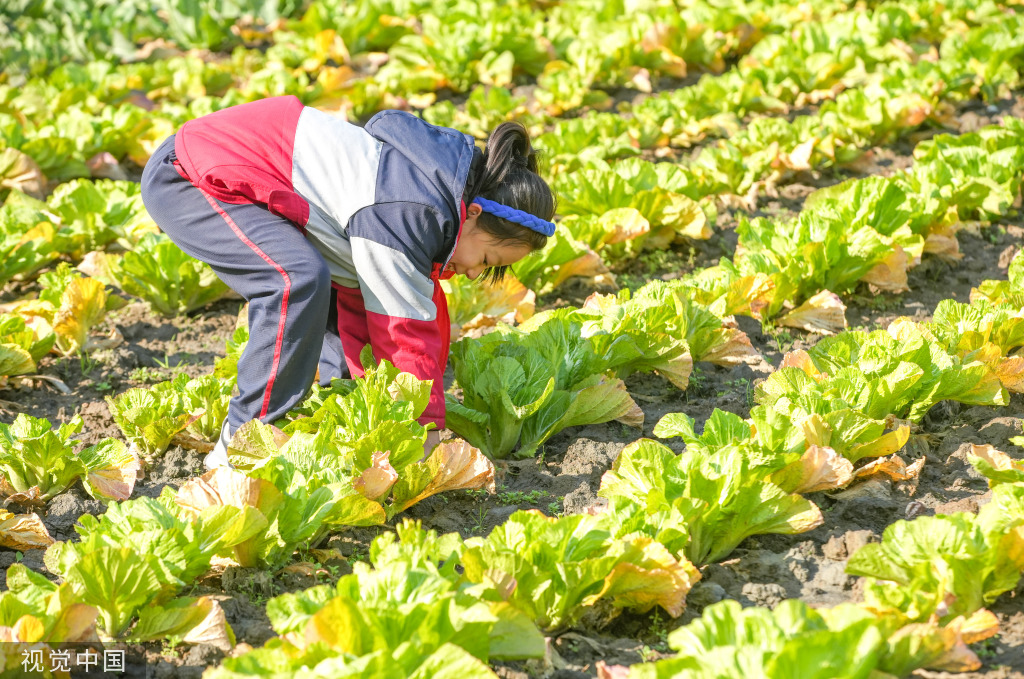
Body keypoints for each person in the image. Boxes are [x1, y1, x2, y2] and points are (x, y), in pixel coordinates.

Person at [140, 95, 556, 469]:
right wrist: (424, 429)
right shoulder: (411, 212)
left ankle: (302, 429)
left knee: (336, 344)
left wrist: (381, 417)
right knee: (293, 280)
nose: (473, 273)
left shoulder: (432, 196)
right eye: (486, 259)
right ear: (476, 213)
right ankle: (237, 448)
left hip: (243, 178)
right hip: (190, 174)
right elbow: (404, 330)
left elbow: (366, 310)